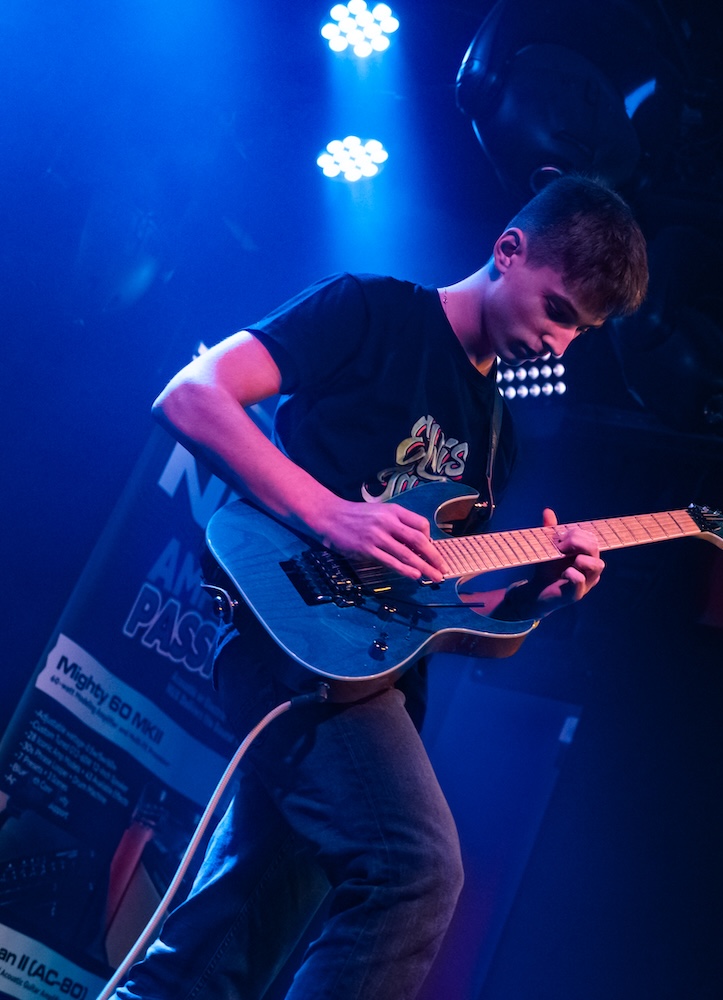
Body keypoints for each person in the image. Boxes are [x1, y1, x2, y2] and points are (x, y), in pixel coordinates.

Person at [112, 175, 649, 1000]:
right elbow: (191, 396)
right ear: (508, 251)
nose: (559, 345)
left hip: (371, 675)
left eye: (580, 330)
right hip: (290, 642)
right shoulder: (371, 310)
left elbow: (427, 608)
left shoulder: (495, 438)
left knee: (218, 957)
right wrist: (333, 515)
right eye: (557, 311)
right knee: (414, 868)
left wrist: (529, 601)